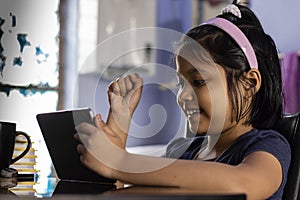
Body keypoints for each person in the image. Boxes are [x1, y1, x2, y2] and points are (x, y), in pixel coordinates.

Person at [74, 1, 291, 199]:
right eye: (180, 84)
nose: (182, 96)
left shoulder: (267, 146)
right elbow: (127, 195)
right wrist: (119, 127)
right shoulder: (183, 150)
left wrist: (119, 161)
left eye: (197, 81)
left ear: (249, 85)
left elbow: (245, 184)